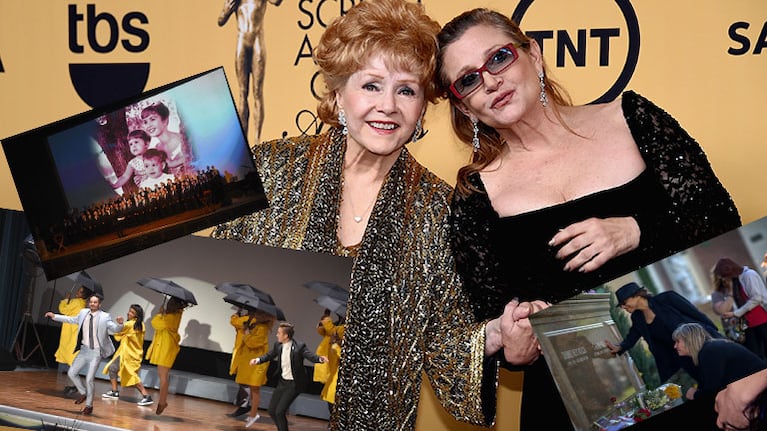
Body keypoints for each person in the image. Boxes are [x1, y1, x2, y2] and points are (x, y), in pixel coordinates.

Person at [212, 1, 540, 429]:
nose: (388, 105)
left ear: (423, 108)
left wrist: (495, 336)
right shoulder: (272, 169)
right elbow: (213, 257)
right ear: (336, 94)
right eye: (371, 85)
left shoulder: (439, 210)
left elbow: (446, 344)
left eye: (406, 90)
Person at [434, 7, 741, 430]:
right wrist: (512, 343)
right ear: (464, 106)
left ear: (535, 55)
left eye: (499, 58)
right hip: (567, 406)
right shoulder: (473, 197)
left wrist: (636, 229)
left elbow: (720, 218)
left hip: (694, 389)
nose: (489, 81)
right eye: (468, 80)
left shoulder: (632, 119)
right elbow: (490, 319)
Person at [605, 283, 722, 382]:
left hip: (700, 346)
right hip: (682, 359)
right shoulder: (637, 317)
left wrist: (715, 335)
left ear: (636, 295)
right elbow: (632, 336)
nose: (624, 307)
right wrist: (620, 347)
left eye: (624, 303)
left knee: (720, 375)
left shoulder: (668, 298)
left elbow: (695, 314)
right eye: (621, 306)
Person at [44, 294, 124, 416]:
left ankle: (89, 406)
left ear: (99, 304)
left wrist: (120, 324)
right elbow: (70, 319)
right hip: (84, 350)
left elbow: (115, 329)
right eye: (91, 302)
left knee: (89, 379)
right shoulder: (83, 313)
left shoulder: (105, 317)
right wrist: (54, 316)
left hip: (96, 352)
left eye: (95, 302)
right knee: (71, 373)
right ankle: (83, 393)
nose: (92, 304)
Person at [217, 0, 282, 144]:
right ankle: (244, 142)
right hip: (242, 42)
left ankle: (257, 140)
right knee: (242, 93)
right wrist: (226, 10)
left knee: (257, 93)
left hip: (257, 41)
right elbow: (220, 21)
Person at [249, 322, 327, 431]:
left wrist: (319, 359)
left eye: (279, 333)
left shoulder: (299, 346)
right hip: (282, 382)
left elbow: (309, 355)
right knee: (272, 411)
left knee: (279, 412)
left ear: (286, 336)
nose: (277, 335)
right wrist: (257, 360)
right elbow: (270, 355)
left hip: (294, 384)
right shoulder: (278, 345)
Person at [672, 322, 766, 401]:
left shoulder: (709, 351)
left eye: (678, 341)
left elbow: (712, 390)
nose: (675, 346)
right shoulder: (709, 349)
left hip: (761, 390)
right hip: (756, 387)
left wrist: (695, 394)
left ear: (689, 340)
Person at [712, 257, 767, 360]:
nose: (724, 279)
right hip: (749, 323)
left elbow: (757, 298)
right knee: (757, 355)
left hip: (761, 319)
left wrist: (735, 313)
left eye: (725, 276)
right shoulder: (736, 279)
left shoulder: (749, 275)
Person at [101, 304, 153, 407]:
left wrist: (119, 323)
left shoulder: (130, 325)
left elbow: (117, 331)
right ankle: (115, 392)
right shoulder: (141, 325)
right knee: (112, 368)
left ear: (136, 316)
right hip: (128, 354)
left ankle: (147, 396)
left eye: (132, 312)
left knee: (131, 376)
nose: (129, 313)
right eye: (129, 311)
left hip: (129, 355)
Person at [230, 308, 274, 428]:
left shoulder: (263, 328)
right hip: (249, 361)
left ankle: (253, 414)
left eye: (259, 313)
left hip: (257, 363)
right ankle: (251, 412)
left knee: (255, 389)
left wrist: (247, 333)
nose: (255, 315)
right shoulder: (254, 324)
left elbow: (253, 343)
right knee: (252, 388)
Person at [145, 296, 188, 415]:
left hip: (166, 348)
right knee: (163, 375)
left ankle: (163, 402)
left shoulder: (168, 318)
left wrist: (159, 314)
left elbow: (155, 323)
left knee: (163, 376)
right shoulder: (176, 315)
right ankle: (162, 401)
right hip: (167, 348)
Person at [52, 285, 90, 395]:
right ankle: (72, 385)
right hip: (75, 334)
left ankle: (73, 385)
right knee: (72, 361)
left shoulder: (76, 302)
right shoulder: (83, 304)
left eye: (80, 291)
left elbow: (63, 310)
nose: (77, 292)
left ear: (83, 295)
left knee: (71, 361)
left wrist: (65, 299)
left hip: (70, 334)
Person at [141, 102, 191, 175]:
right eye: (145, 122)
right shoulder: (156, 150)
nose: (148, 125)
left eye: (152, 119)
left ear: (165, 121)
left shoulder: (183, 139)